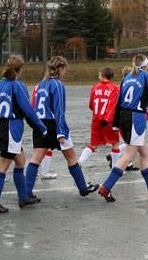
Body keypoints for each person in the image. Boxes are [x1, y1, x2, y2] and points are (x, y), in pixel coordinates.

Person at [26, 56, 99, 200]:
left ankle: (26, 193)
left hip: (40, 124)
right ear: (60, 69)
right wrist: (61, 131)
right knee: (71, 157)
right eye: (64, 69)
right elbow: (59, 109)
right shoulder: (57, 84)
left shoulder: (39, 85)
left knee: (35, 159)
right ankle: (83, 189)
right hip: (54, 123)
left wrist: (36, 125)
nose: (65, 72)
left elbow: (32, 106)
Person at [99, 55, 148, 202]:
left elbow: (118, 102)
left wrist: (116, 122)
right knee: (129, 155)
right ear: (146, 65)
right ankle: (106, 187)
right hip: (135, 118)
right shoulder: (147, 76)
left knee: (144, 152)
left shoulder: (127, 77)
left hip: (124, 116)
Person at [0, 57, 48, 213]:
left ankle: (23, 197)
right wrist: (41, 127)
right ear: (19, 70)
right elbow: (27, 110)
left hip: (0, 127)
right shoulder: (17, 85)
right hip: (10, 128)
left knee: (20, 160)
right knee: (3, 164)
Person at [78, 67, 124, 167]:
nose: (98, 76)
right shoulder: (114, 88)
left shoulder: (95, 87)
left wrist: (97, 113)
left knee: (93, 145)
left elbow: (91, 105)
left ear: (102, 76)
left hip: (96, 120)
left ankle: (79, 162)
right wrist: (107, 119)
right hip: (108, 121)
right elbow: (113, 106)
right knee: (115, 143)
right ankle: (115, 168)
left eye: (99, 74)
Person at [104, 66, 139, 171]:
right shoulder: (126, 86)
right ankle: (114, 157)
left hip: (119, 117)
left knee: (129, 141)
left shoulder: (121, 86)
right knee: (132, 141)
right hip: (125, 116)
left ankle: (127, 163)